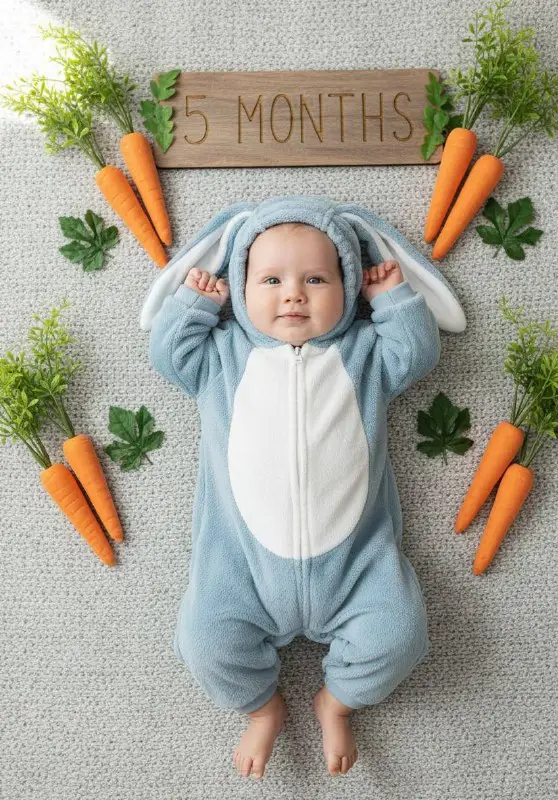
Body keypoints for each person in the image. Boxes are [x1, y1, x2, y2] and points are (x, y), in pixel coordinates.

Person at [148, 202, 442, 780]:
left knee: (401, 635)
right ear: (239, 288)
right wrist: (194, 305)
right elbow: (167, 355)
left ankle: (336, 701)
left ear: (348, 284)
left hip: (356, 568)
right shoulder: (221, 356)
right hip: (241, 569)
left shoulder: (365, 354)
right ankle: (262, 708)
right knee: (205, 641)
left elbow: (417, 356)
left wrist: (394, 302)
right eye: (271, 280)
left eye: (316, 279)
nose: (293, 296)